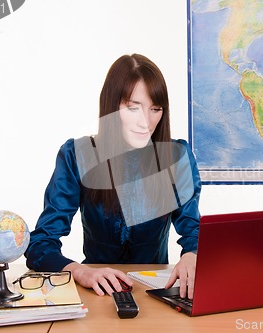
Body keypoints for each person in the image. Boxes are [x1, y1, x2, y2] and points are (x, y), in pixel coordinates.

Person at [25, 54, 201, 299]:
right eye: (133, 107)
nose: (146, 122)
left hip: (154, 294)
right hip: (96, 293)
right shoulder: (77, 155)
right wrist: (80, 271)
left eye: (155, 109)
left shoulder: (177, 157)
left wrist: (191, 256)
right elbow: (41, 243)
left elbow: (194, 232)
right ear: (111, 106)